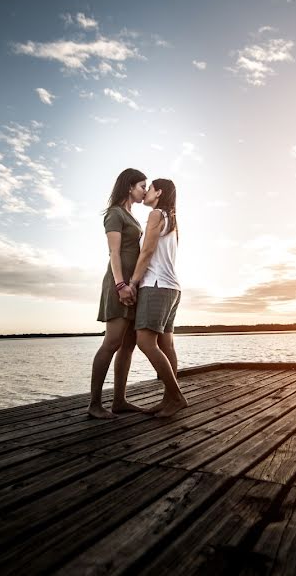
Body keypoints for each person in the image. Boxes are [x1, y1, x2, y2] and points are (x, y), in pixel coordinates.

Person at [88, 168, 148, 419]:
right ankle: (94, 405)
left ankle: (120, 400)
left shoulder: (131, 215)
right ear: (129, 187)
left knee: (128, 345)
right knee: (112, 342)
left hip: (132, 285)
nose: (145, 191)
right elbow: (114, 253)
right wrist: (121, 285)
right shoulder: (114, 214)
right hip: (118, 284)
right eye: (142, 186)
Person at [129, 179, 188, 417]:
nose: (146, 192)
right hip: (172, 288)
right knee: (166, 345)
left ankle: (176, 397)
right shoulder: (172, 218)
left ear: (159, 192)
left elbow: (147, 251)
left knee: (145, 342)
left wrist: (133, 282)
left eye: (150, 188)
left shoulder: (156, 215)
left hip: (156, 286)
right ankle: (168, 400)